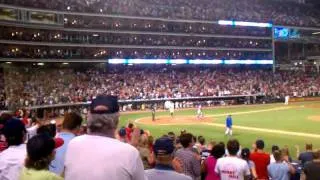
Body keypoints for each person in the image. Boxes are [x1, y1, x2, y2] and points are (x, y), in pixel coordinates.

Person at [64, 95, 147, 180]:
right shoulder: (130, 153)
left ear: (89, 117)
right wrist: (132, 148)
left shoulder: (73, 143)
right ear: (117, 120)